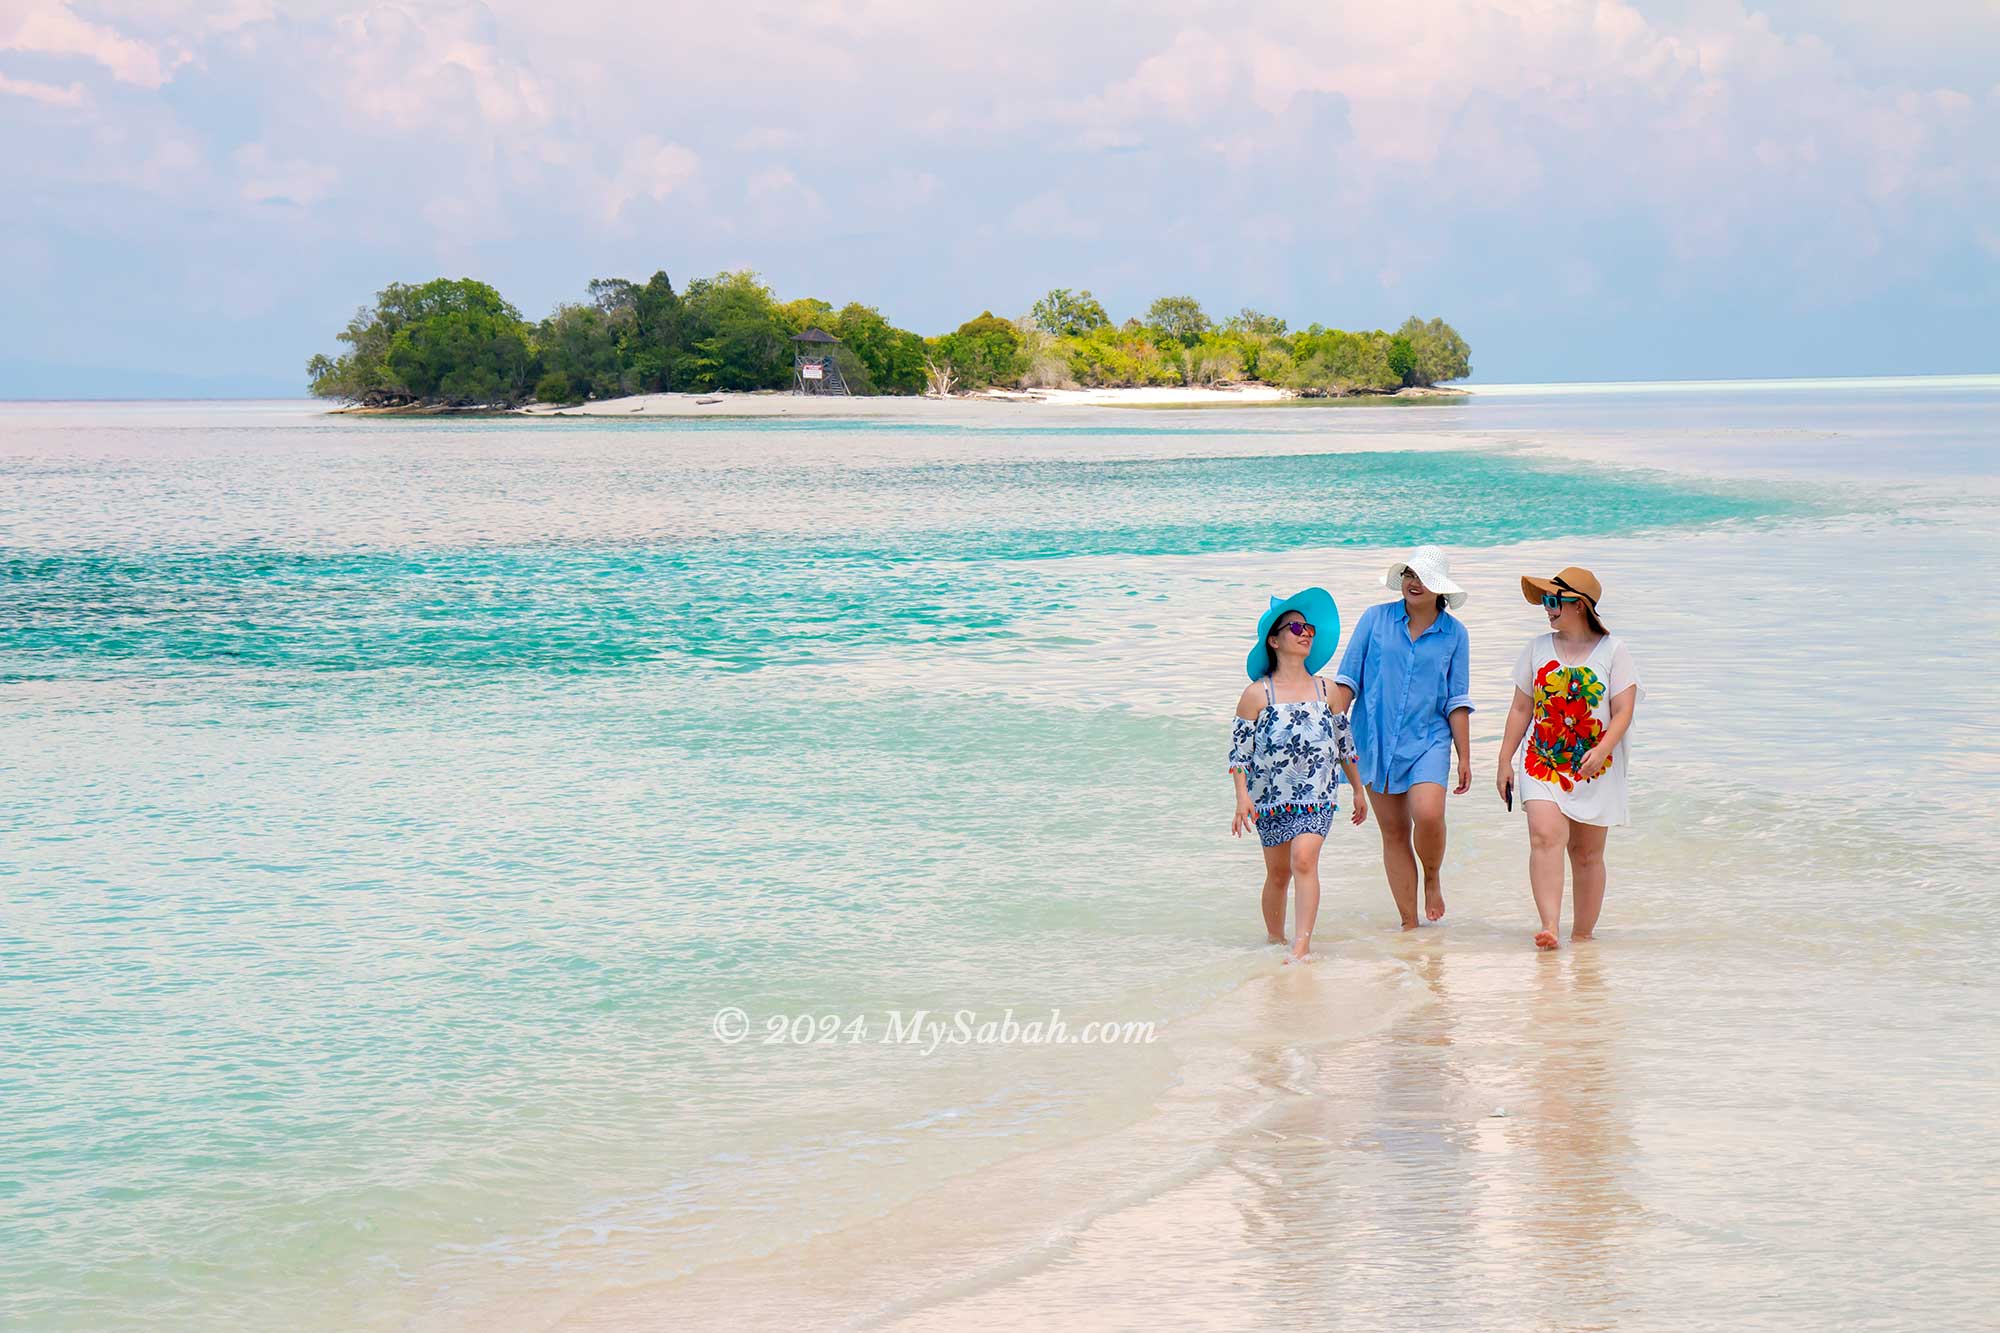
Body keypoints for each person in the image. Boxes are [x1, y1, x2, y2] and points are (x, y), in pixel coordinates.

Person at [1494, 566, 1643, 950]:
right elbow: (1520, 709)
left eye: (1553, 601)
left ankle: (1583, 935)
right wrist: (1504, 760)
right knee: (1545, 836)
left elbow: (1624, 710)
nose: (1547, 609)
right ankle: (1549, 927)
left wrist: (1603, 749)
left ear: (1579, 606)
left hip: (1596, 765)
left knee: (1587, 854)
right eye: (1546, 601)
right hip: (1542, 760)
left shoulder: (1614, 651)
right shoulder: (1536, 648)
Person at [1332, 546, 1474, 930]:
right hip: (1373, 739)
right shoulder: (1375, 619)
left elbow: (1457, 699)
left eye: (1424, 577)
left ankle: (1432, 876)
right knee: (1394, 833)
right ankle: (1410, 925)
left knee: (1429, 814)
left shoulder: (1455, 634)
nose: (1414, 582)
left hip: (1429, 738)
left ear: (1439, 588)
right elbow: (1348, 680)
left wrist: (1464, 756)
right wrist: (1326, 721)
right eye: (1409, 574)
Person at [1228, 589, 1368, 964]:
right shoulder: (1257, 695)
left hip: (1317, 795)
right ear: (1274, 640)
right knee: (1277, 875)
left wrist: (1357, 789)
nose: (1306, 633)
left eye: (1308, 628)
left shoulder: (1329, 691)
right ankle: (1275, 940)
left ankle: (1302, 946)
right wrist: (1242, 798)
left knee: (1304, 860)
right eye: (1295, 627)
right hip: (1270, 798)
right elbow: (1239, 755)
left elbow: (1344, 745)